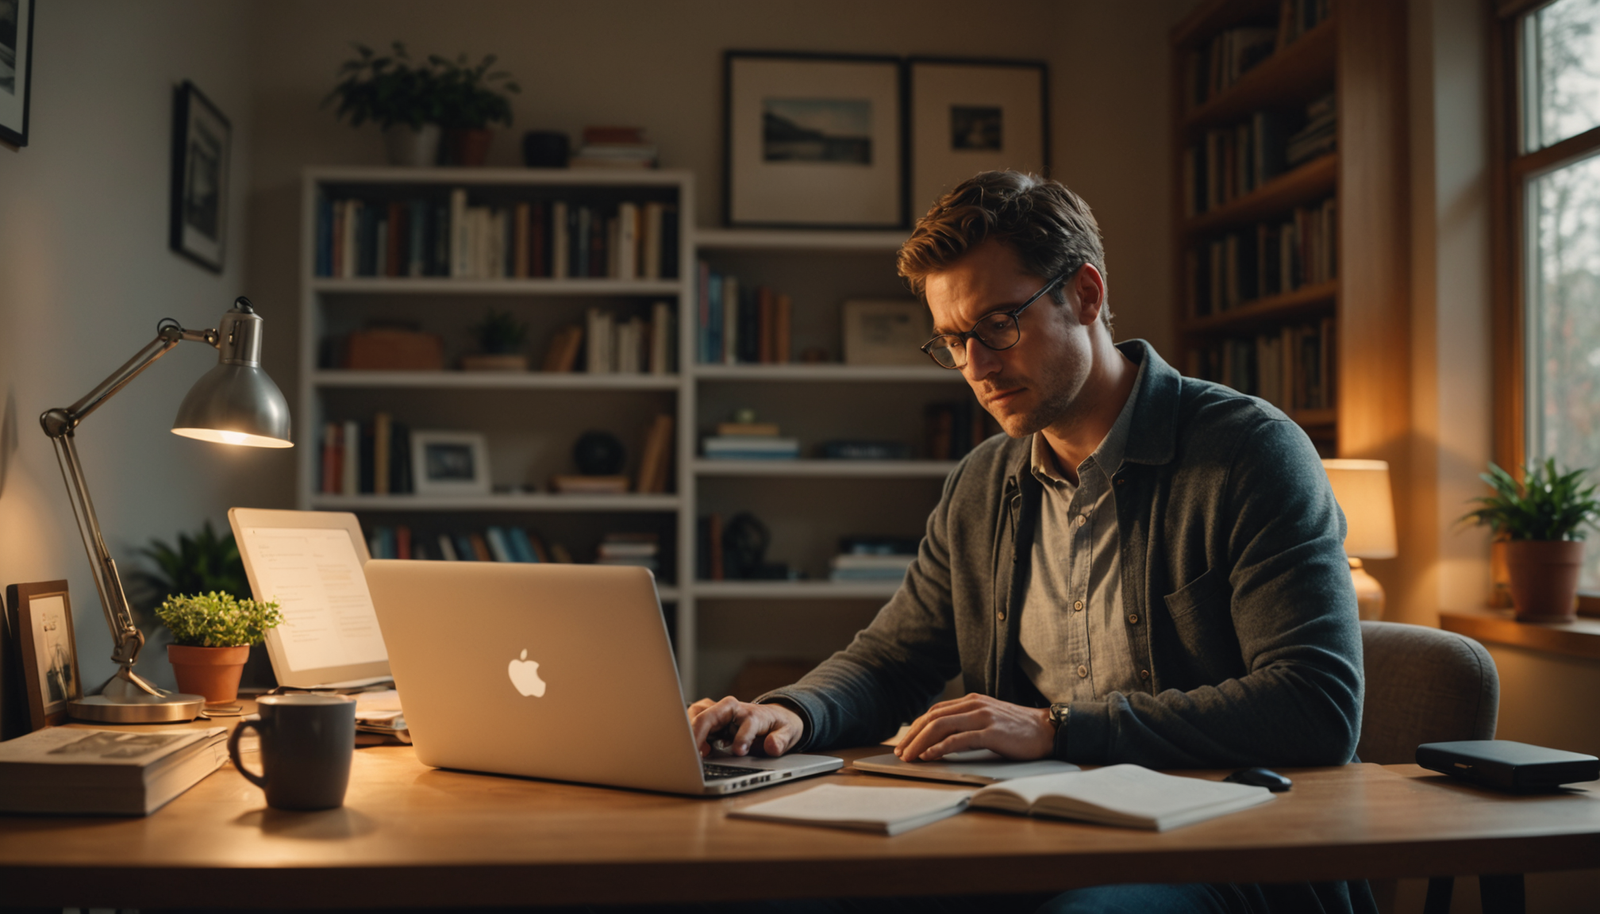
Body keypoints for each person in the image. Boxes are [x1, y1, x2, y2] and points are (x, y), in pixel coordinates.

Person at [689, 171, 1372, 914]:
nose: (976, 366)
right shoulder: (982, 482)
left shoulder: (1250, 453)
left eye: (998, 324)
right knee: (751, 889)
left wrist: (1055, 729)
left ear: (1085, 294)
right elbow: (892, 662)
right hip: (1026, 840)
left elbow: (1316, 705)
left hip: (1222, 846)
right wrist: (792, 713)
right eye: (953, 341)